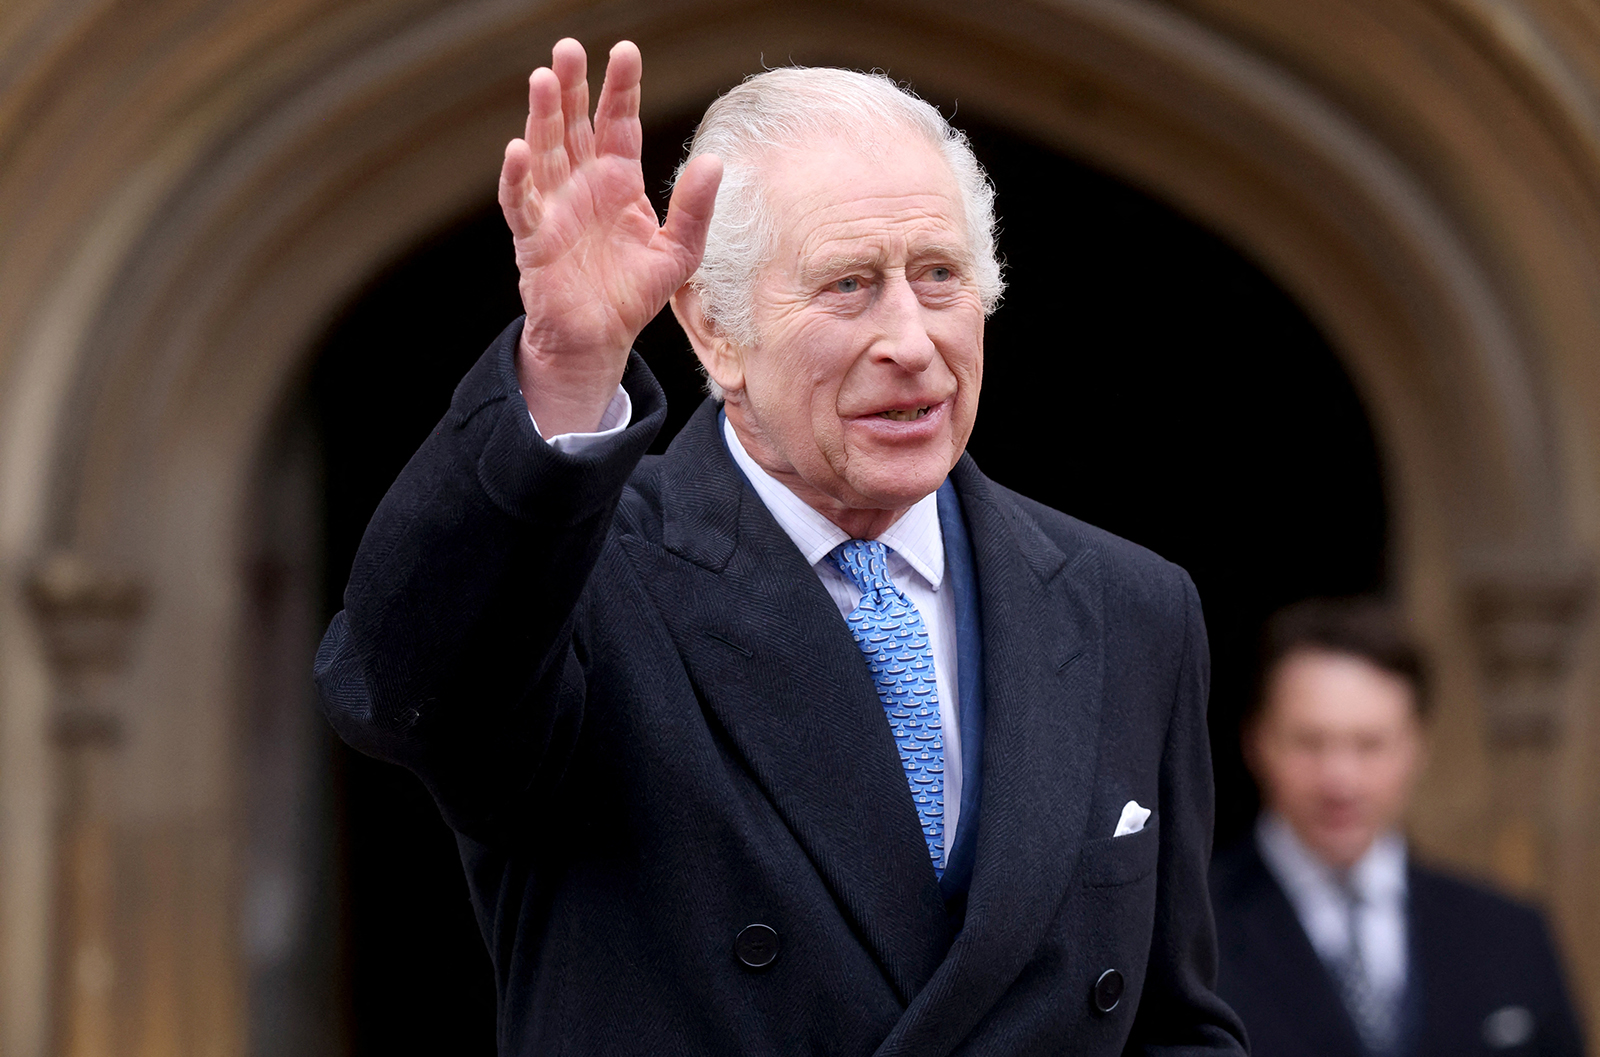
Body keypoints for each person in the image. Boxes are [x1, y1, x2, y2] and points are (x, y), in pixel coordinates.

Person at [315, 36, 1247, 1055]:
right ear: (714, 330)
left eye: (938, 276)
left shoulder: (1130, 605)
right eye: (847, 285)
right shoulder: (582, 582)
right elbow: (398, 689)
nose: (908, 339)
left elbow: (1173, 1020)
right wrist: (567, 364)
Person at [1211, 597, 1586, 1057]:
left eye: (1369, 744)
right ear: (1255, 742)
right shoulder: (1190, 935)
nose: (1340, 780)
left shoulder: (1510, 935)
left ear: (1417, 746)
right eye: (1309, 743)